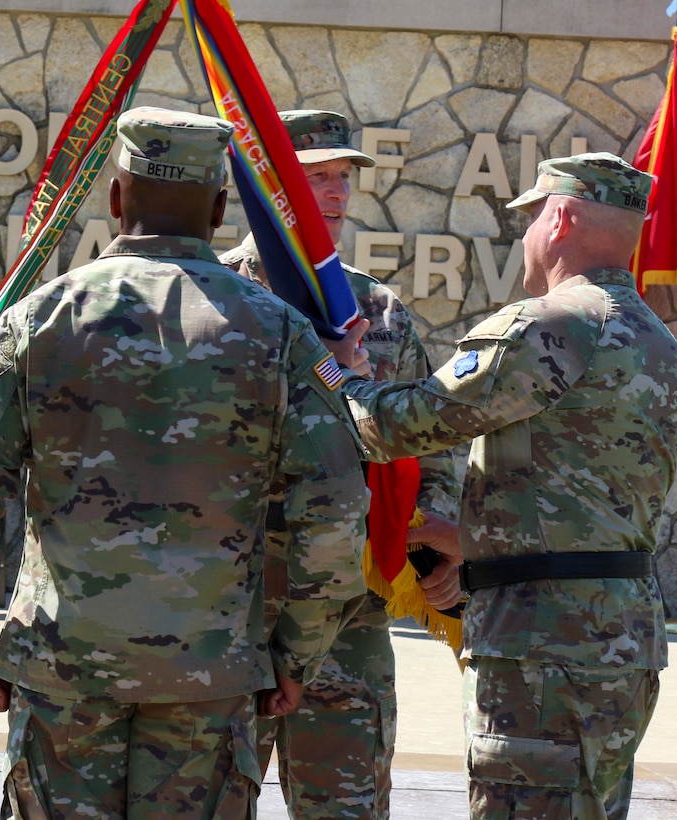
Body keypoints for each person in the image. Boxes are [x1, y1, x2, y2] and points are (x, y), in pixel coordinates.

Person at [0, 106, 370, 820]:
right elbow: (336, 504)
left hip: (64, 674)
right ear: (221, 210)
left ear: (116, 198)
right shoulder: (278, 332)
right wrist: (296, 653)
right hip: (211, 680)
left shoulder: (39, 320)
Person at [334, 153, 677, 819]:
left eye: (529, 217)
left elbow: (396, 426)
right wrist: (446, 534)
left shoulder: (551, 326)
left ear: (560, 219)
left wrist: (337, 373)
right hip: (619, 636)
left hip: (543, 650)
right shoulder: (657, 342)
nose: (524, 234)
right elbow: (576, 505)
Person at [220, 109, 462, 819]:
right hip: (228, 608)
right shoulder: (215, 298)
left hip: (348, 615)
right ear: (270, 188)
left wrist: (438, 541)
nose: (335, 192)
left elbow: (427, 434)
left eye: (342, 177)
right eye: (315, 177)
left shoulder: (377, 309)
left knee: (345, 806)